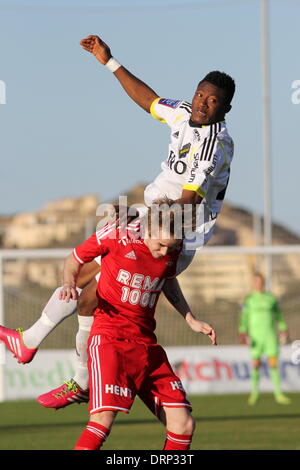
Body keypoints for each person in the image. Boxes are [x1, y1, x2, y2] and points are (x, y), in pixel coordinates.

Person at [0, 34, 235, 408]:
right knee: (87, 293)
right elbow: (150, 101)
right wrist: (109, 62)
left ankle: (43, 352)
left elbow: (186, 202)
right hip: (156, 217)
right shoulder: (185, 113)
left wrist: (134, 221)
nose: (204, 104)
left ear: (225, 110)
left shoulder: (212, 145)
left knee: (99, 284)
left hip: (178, 231)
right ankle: (52, 359)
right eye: (201, 95)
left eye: (214, 102)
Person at [61, 202, 216, 450]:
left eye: (171, 246)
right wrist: (69, 282)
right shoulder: (116, 234)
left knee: (183, 424)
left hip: (146, 344)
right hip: (111, 340)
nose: (165, 252)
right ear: (147, 229)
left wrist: (190, 318)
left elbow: (168, 277)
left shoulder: (172, 252)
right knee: (103, 419)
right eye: (160, 245)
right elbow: (75, 258)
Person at [239, 272, 291, 405]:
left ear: (263, 282)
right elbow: (244, 318)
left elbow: (279, 316)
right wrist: (243, 332)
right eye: (255, 281)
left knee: (273, 363)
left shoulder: (271, 298)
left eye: (260, 281)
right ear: (252, 283)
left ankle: (278, 394)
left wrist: (283, 328)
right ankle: (254, 394)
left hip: (270, 335)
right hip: (256, 336)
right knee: (256, 364)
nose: (258, 284)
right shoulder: (249, 300)